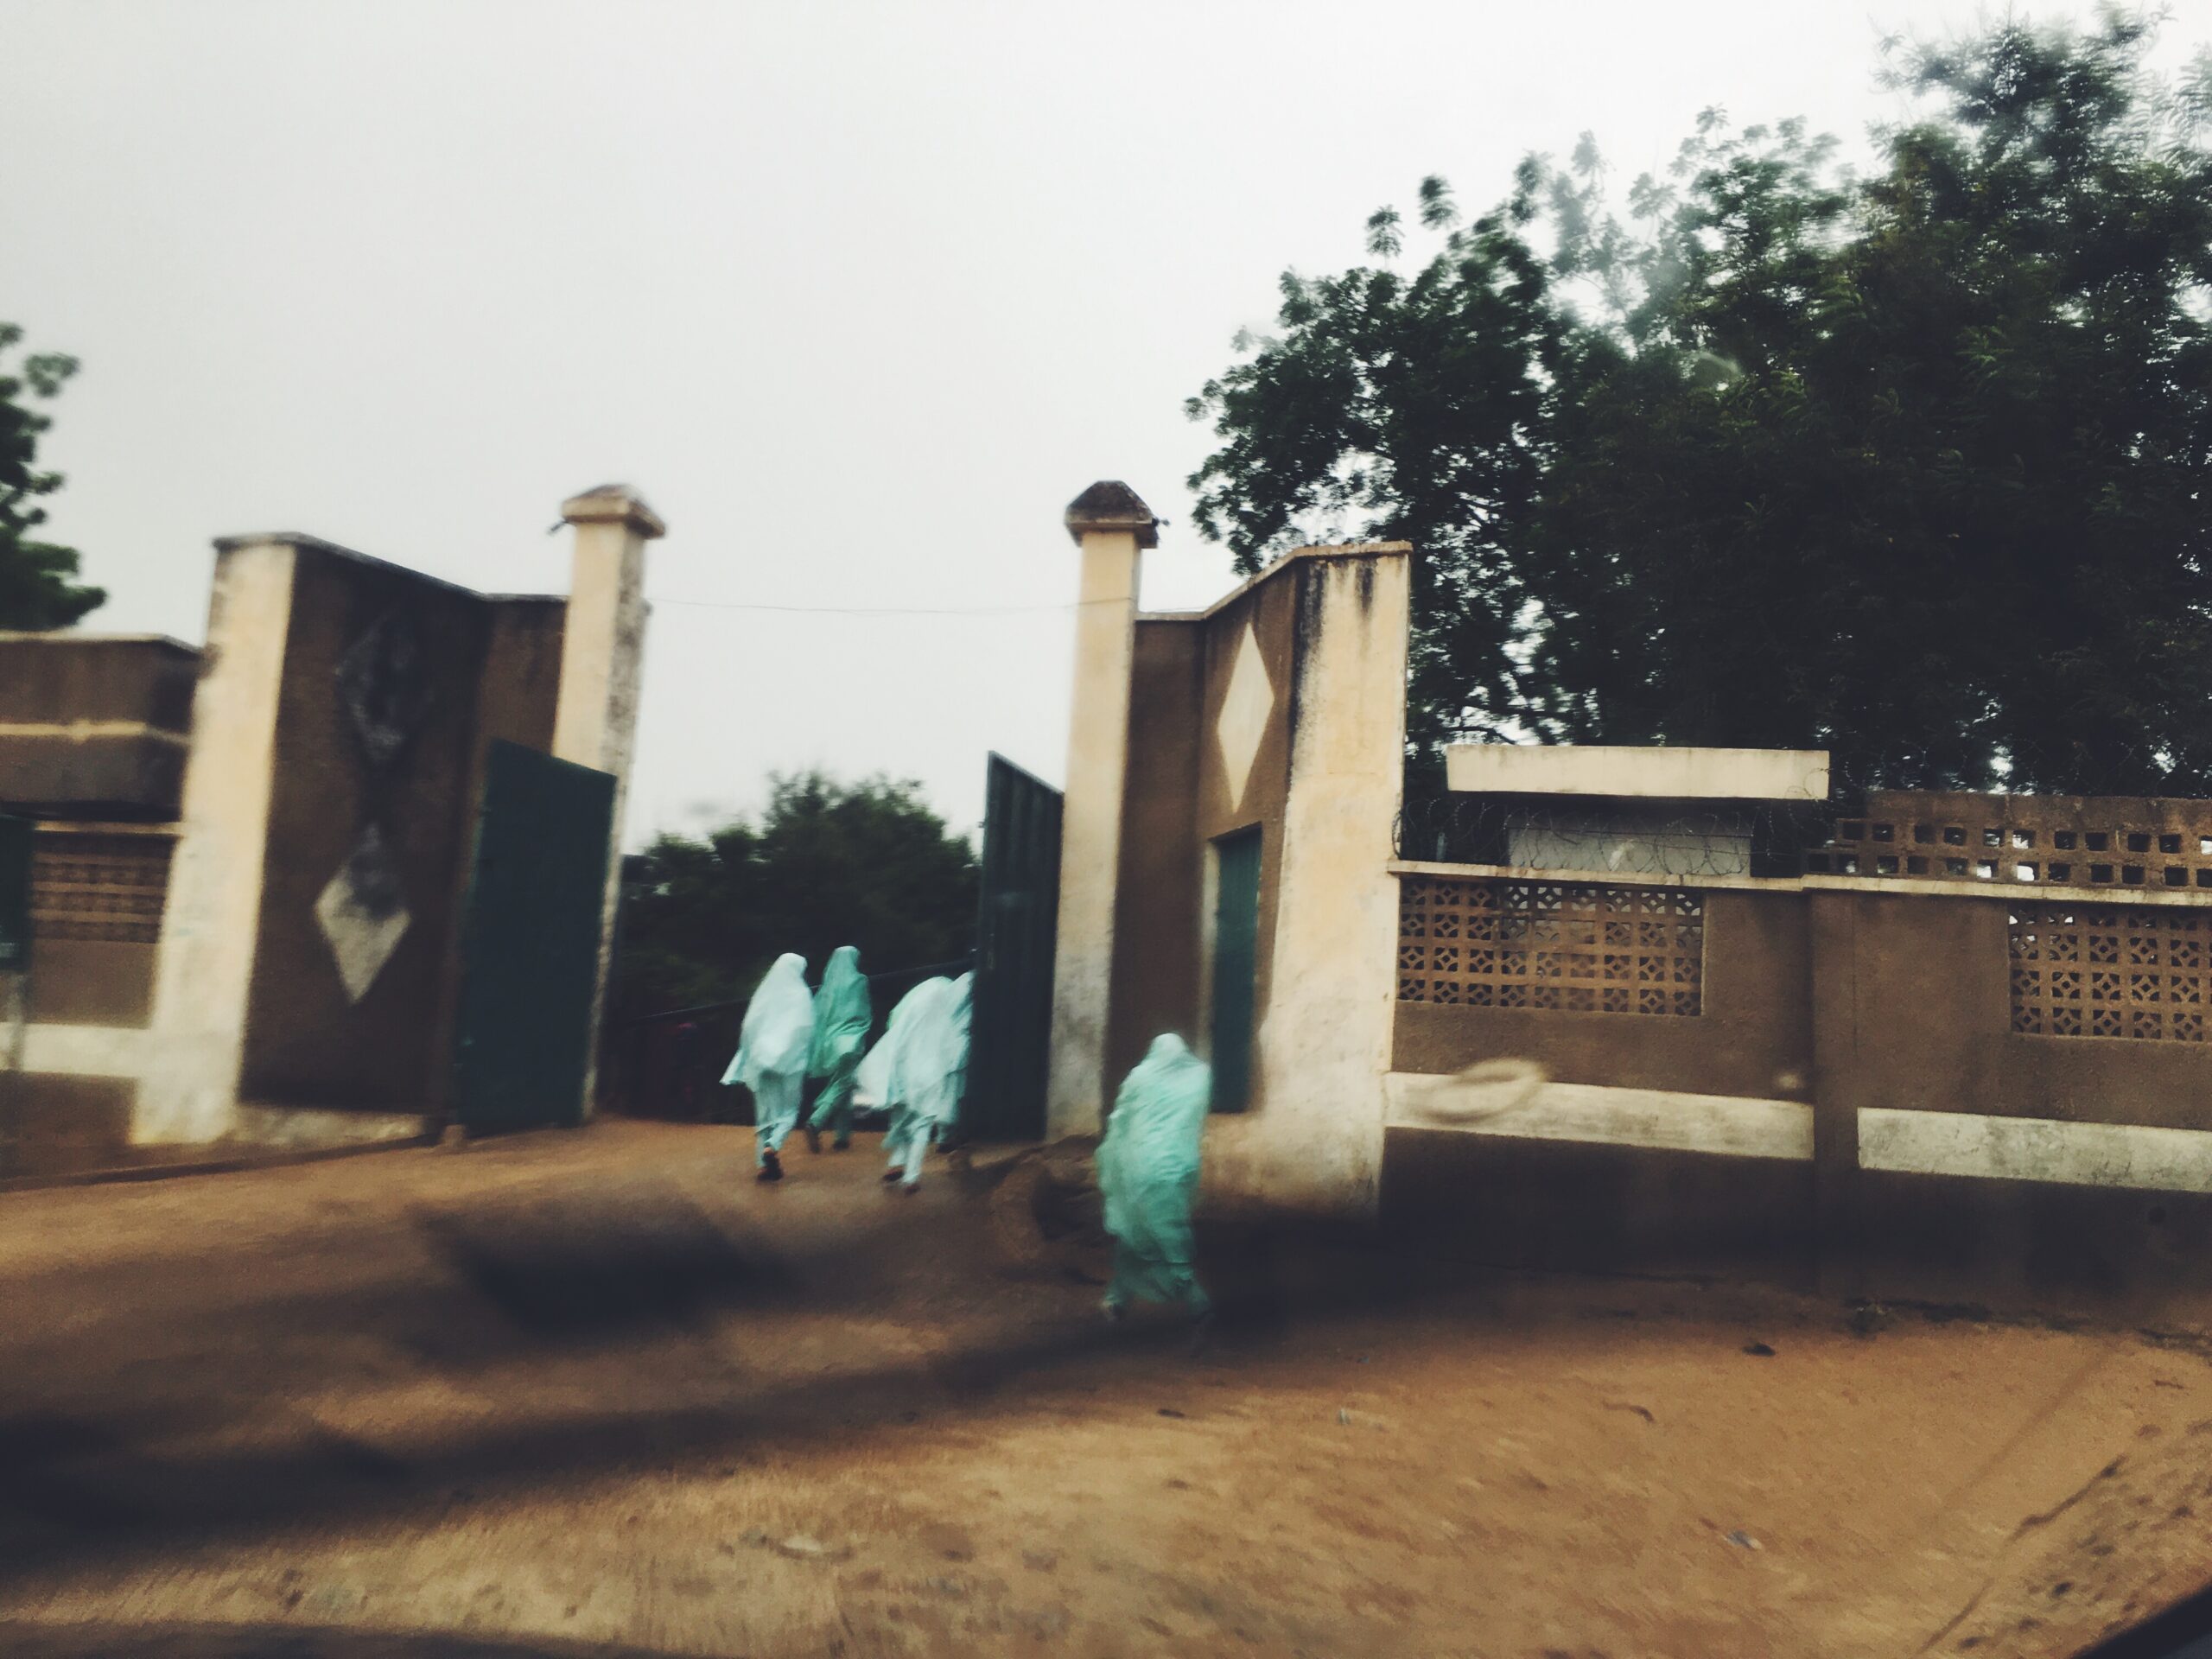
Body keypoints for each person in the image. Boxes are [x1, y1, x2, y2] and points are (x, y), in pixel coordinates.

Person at [1096, 1034, 1213, 1332]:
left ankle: (1195, 1300)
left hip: (1140, 1168)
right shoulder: (1199, 1078)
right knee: (1156, 1233)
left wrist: (1115, 1155)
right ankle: (1117, 1301)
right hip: (1178, 1169)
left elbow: (1121, 1116)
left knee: (1145, 1233)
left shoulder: (1140, 1077)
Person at [721, 953, 813, 1183]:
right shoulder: (801, 995)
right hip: (790, 1064)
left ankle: (763, 1166)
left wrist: (753, 1056)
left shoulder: (763, 995)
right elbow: (806, 1029)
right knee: (789, 1111)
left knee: (765, 1115)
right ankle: (773, 1145)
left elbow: (748, 1027)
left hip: (761, 1061)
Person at [870, 976, 967, 1192]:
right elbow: (950, 1056)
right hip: (930, 1081)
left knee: (901, 1125)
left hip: (905, 1081)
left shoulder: (906, 1023)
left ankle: (895, 1164)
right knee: (921, 1128)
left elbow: (892, 1054)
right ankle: (911, 1177)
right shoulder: (946, 1025)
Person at [804, 945, 872, 1153]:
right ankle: (816, 1121)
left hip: (830, 1041)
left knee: (843, 1085)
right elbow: (864, 1009)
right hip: (851, 1040)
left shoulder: (828, 986)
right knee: (843, 1083)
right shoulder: (860, 981)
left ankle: (842, 1136)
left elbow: (820, 1015)